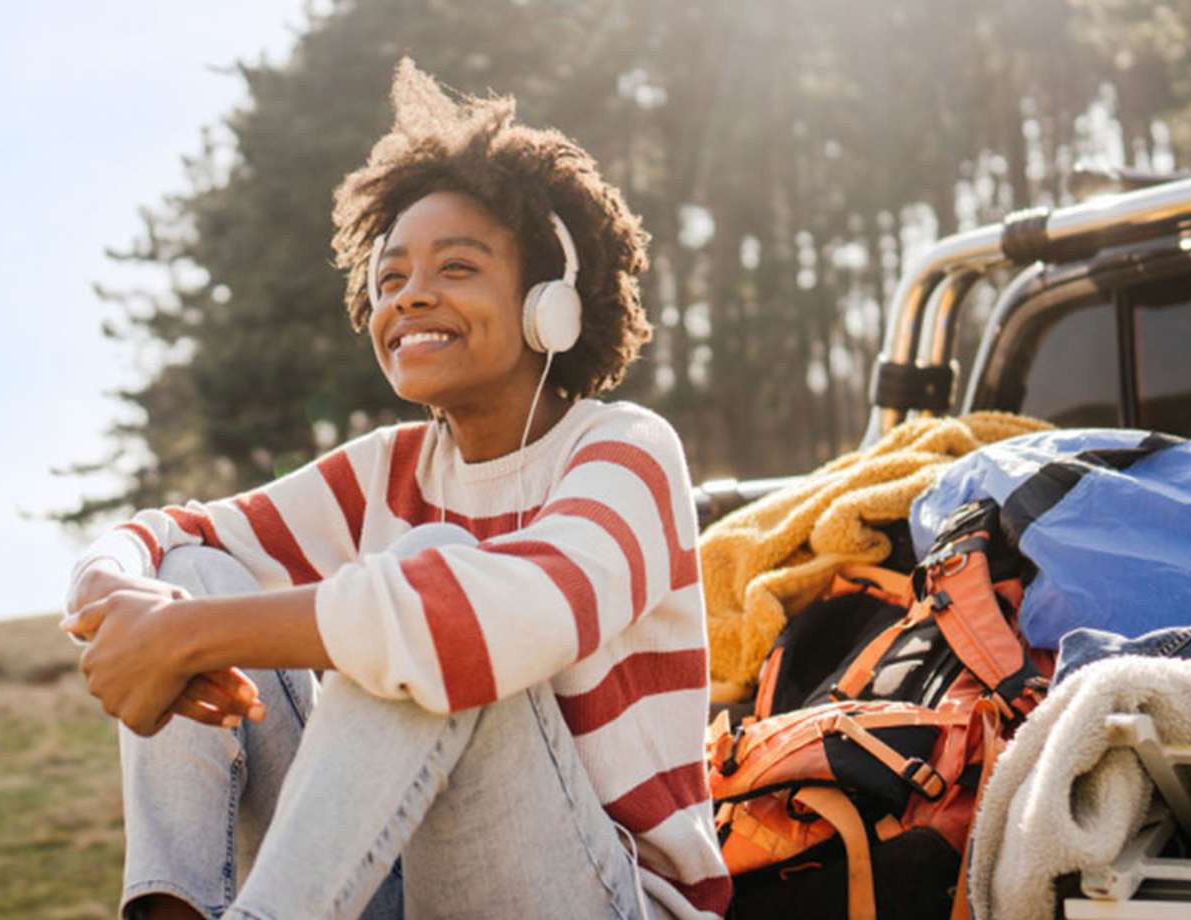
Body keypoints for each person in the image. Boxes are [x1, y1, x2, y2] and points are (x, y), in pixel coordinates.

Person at [61, 59, 730, 920]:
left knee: (430, 581)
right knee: (197, 564)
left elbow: (480, 619)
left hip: (610, 897)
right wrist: (110, 588)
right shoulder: (387, 466)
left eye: (456, 268)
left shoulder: (624, 449)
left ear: (549, 304)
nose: (411, 297)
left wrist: (183, 637)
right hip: (407, 886)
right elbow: (165, 533)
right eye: (390, 279)